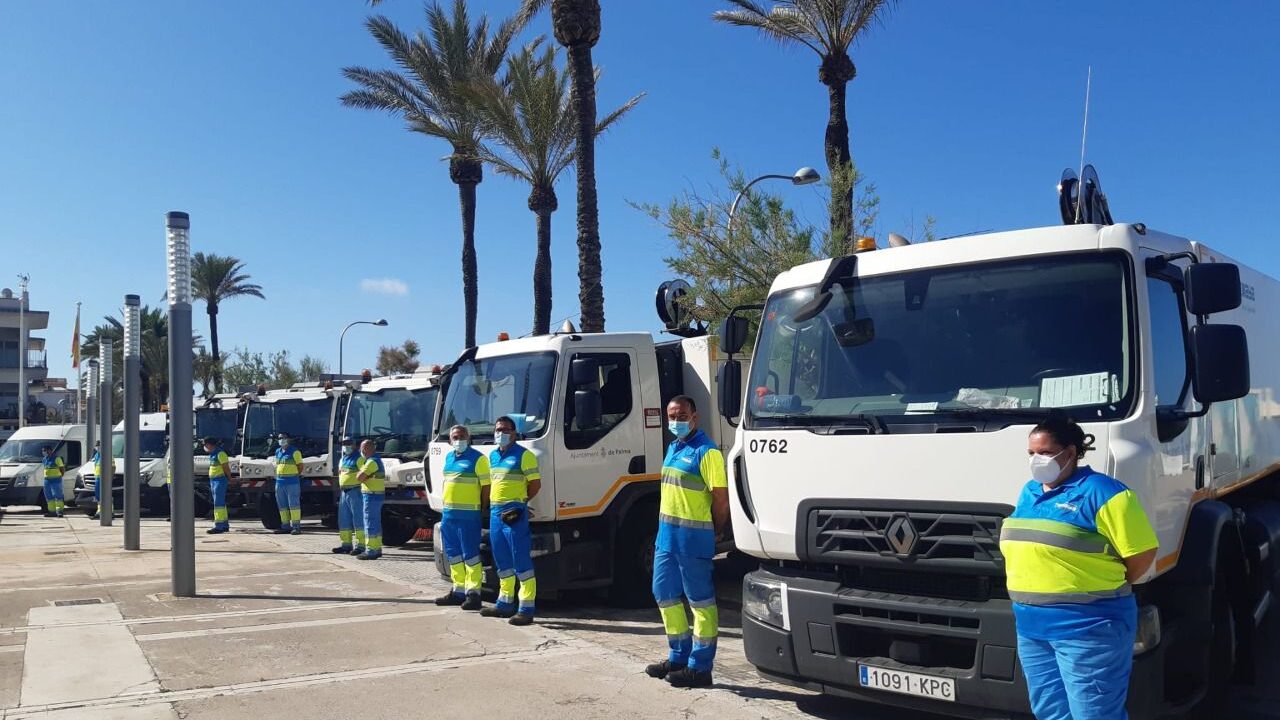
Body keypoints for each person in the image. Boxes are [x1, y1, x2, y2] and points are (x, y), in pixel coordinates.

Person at [1003, 417, 1159, 720]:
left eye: (1046, 453)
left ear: (1071, 452)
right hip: (1033, 628)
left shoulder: (1105, 493)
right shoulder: (1030, 492)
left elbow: (1142, 552)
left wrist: (1108, 583)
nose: (1037, 460)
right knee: (1050, 712)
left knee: (1094, 714)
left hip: (1089, 627)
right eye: (1031, 453)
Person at [645, 395, 729, 689]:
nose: (676, 421)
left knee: (701, 603)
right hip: (666, 540)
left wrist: (717, 530)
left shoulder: (707, 453)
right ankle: (678, 656)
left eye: (681, 415)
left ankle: (700, 667)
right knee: (664, 595)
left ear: (695, 416)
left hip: (693, 541)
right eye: (672, 416)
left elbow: (720, 498)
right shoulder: (673, 448)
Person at [480, 416, 540, 625]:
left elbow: (535, 485)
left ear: (514, 433)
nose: (501, 434)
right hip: (496, 513)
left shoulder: (525, 456)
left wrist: (520, 503)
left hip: (514, 512)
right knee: (503, 561)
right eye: (498, 430)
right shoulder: (493, 457)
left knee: (521, 560)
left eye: (505, 430)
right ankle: (504, 604)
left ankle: (526, 608)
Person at [435, 425, 490, 610]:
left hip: (469, 516)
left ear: (468, 438)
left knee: (471, 556)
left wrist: (483, 508)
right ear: (450, 441)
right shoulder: (449, 457)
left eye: (462, 436)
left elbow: (486, 487)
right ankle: (458, 591)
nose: (458, 440)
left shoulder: (479, 459)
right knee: (454, 555)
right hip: (449, 516)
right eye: (455, 437)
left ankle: (473, 594)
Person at [332, 437, 366, 555]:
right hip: (344, 492)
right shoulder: (343, 459)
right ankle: (346, 545)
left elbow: (365, 475)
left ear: (354, 445)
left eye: (347, 444)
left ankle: (361, 545)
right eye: (344, 444)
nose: (345, 446)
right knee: (344, 520)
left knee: (358, 519)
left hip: (355, 491)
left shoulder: (359, 459)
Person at [355, 439, 385, 560]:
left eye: (362, 448)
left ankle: (371, 550)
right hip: (376, 495)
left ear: (367, 449)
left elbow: (359, 477)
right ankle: (377, 548)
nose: (360, 451)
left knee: (369, 523)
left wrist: (361, 473)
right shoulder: (377, 460)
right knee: (376, 523)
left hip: (371, 496)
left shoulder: (371, 462)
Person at [273, 433, 304, 535]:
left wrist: (294, 475)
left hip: (292, 482)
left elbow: (300, 466)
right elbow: (277, 465)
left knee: (294, 505)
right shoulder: (277, 451)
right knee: (282, 506)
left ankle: (296, 527)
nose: (281, 440)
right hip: (279, 482)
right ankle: (285, 526)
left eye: (284, 438)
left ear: (289, 439)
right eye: (280, 438)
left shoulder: (295, 452)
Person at [204, 437, 232, 534]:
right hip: (214, 480)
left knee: (218, 504)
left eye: (205, 444)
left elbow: (226, 469)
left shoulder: (220, 454)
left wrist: (230, 479)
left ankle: (219, 526)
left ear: (210, 444)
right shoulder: (212, 454)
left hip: (220, 481)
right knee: (220, 503)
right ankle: (224, 524)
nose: (205, 446)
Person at [41, 445, 66, 518]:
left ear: (50, 450)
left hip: (56, 480)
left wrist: (60, 476)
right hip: (47, 480)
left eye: (45, 450)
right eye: (43, 451)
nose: (43, 452)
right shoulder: (44, 459)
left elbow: (62, 468)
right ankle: (52, 511)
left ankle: (59, 511)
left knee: (58, 495)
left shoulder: (57, 459)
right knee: (48, 496)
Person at [88, 441, 102, 520]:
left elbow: (113, 466)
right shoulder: (96, 455)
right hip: (97, 477)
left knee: (105, 495)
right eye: (96, 446)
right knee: (98, 496)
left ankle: (109, 512)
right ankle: (99, 511)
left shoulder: (107, 454)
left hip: (104, 478)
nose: (97, 448)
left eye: (98, 446)